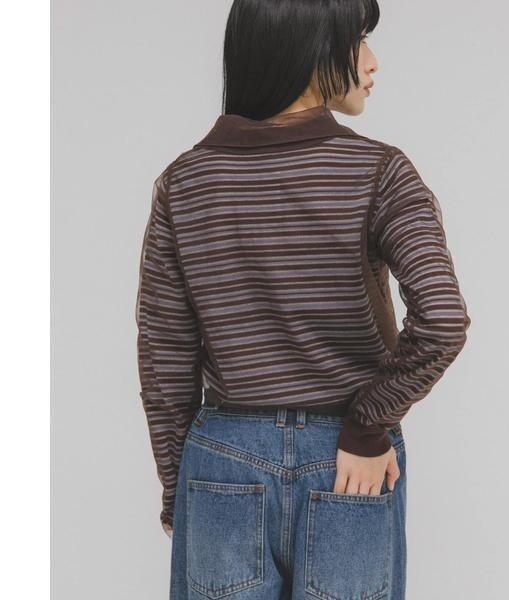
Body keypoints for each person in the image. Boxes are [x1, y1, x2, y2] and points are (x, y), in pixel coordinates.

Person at [135, 1, 471, 598]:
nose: (373, 61)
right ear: (312, 49)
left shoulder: (184, 182)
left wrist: (177, 488)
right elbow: (442, 319)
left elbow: (165, 358)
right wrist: (367, 427)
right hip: (346, 460)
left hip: (222, 455)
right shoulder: (379, 172)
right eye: (358, 39)